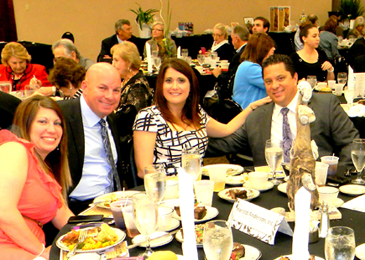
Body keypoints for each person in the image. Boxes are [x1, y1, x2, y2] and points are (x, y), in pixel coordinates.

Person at [206, 54, 359, 168]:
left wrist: (335, 174)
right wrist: (185, 139)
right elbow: (224, 144)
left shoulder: (325, 106)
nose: (274, 86)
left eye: (280, 78)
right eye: (268, 81)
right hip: (270, 193)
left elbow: (351, 143)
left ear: (294, 78)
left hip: (316, 187)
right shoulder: (257, 117)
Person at [132, 58, 271, 178]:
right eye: (168, 81)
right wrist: (178, 182)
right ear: (161, 85)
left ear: (190, 86)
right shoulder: (148, 117)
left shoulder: (195, 113)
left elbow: (226, 129)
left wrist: (251, 107)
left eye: (181, 81)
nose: (174, 87)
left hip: (198, 186)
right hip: (166, 191)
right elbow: (144, 171)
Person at [0, 95, 74, 260]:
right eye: (42, 122)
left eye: (57, 123)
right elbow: (3, 211)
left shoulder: (44, 169)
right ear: (26, 125)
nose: (52, 129)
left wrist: (98, 232)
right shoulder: (15, 150)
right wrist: (41, 252)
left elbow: (64, 216)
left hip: (29, 250)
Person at [58, 63, 126, 215]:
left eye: (116, 90)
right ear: (85, 87)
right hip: (74, 209)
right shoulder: (61, 116)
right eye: (102, 88)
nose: (110, 96)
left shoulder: (111, 119)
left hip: (112, 205)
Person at [232, 33, 275, 109]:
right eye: (270, 55)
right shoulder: (251, 68)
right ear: (263, 52)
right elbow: (273, 84)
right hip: (249, 113)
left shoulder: (246, 65)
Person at [111, 42, 153, 112]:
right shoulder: (124, 81)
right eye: (113, 60)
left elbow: (129, 118)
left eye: (116, 60)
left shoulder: (138, 87)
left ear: (128, 63)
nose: (113, 64)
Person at [212, 25, 249, 97]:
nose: (232, 42)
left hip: (237, 93)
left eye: (232, 39)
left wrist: (218, 75)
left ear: (236, 39)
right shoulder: (251, 50)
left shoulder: (239, 56)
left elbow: (231, 79)